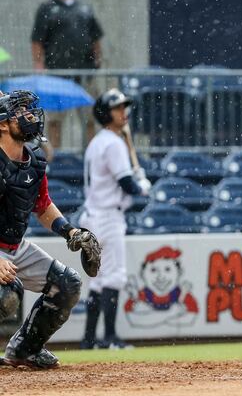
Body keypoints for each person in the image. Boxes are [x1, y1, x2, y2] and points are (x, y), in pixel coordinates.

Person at [0, 90, 101, 369]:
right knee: (6, 295)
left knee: (67, 285)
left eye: (29, 110)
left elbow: (42, 206)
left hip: (13, 245)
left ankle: (25, 350)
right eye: (20, 111)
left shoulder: (34, 158)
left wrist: (71, 232)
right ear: (3, 123)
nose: (30, 115)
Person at [79, 89, 150, 350]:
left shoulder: (99, 141)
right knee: (114, 277)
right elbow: (127, 184)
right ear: (106, 113)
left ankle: (89, 340)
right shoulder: (112, 142)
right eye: (117, 108)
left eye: (124, 107)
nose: (124, 112)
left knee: (98, 280)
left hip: (94, 214)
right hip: (107, 216)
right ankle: (109, 338)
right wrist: (143, 185)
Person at [31, 0, 104, 149]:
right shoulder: (47, 8)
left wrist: (98, 58)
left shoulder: (84, 8)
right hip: (58, 72)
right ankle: (55, 159)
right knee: (55, 120)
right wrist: (39, 65)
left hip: (85, 72)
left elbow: (95, 37)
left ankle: (90, 155)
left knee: (89, 118)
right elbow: (37, 40)